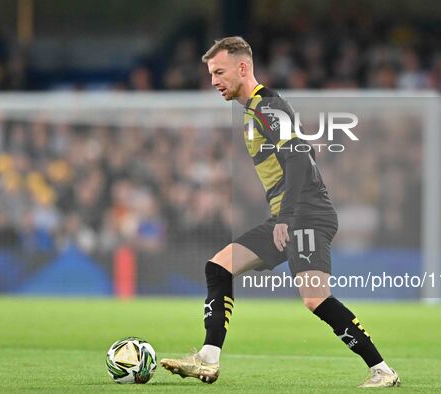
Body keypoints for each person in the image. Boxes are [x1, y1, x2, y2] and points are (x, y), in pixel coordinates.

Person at [160, 36, 400, 388]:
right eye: (211, 73)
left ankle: (382, 369)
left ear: (243, 67)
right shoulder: (252, 111)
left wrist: (286, 217)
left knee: (315, 298)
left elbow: (301, 157)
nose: (214, 81)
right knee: (219, 267)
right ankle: (208, 359)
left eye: (219, 72)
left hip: (305, 214)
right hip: (289, 215)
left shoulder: (266, 108)